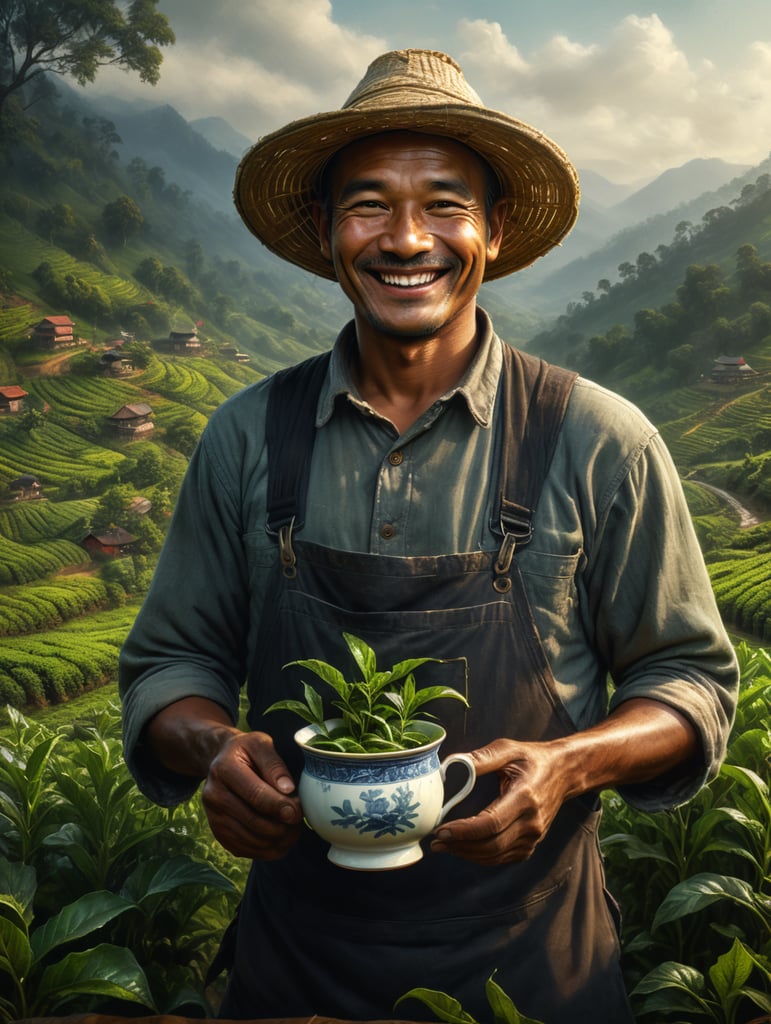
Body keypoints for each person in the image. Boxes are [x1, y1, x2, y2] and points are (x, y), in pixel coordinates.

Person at [119, 49, 738, 1023]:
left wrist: (570, 763)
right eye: (369, 204)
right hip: (297, 970)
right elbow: (171, 659)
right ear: (326, 234)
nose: (407, 238)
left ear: (492, 230)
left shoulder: (598, 438)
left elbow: (690, 681)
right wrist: (211, 745)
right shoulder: (248, 436)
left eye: (446, 204)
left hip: (538, 972)